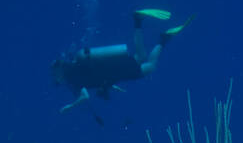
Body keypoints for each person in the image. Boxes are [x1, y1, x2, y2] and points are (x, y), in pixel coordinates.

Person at [53, 9, 191, 115]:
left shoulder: (73, 80)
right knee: (141, 57)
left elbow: (85, 97)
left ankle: (149, 29)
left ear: (60, 73)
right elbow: (94, 76)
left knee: (149, 65)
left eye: (56, 77)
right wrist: (111, 86)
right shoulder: (76, 66)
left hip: (115, 72)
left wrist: (70, 107)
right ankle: (152, 31)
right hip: (112, 67)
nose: (57, 80)